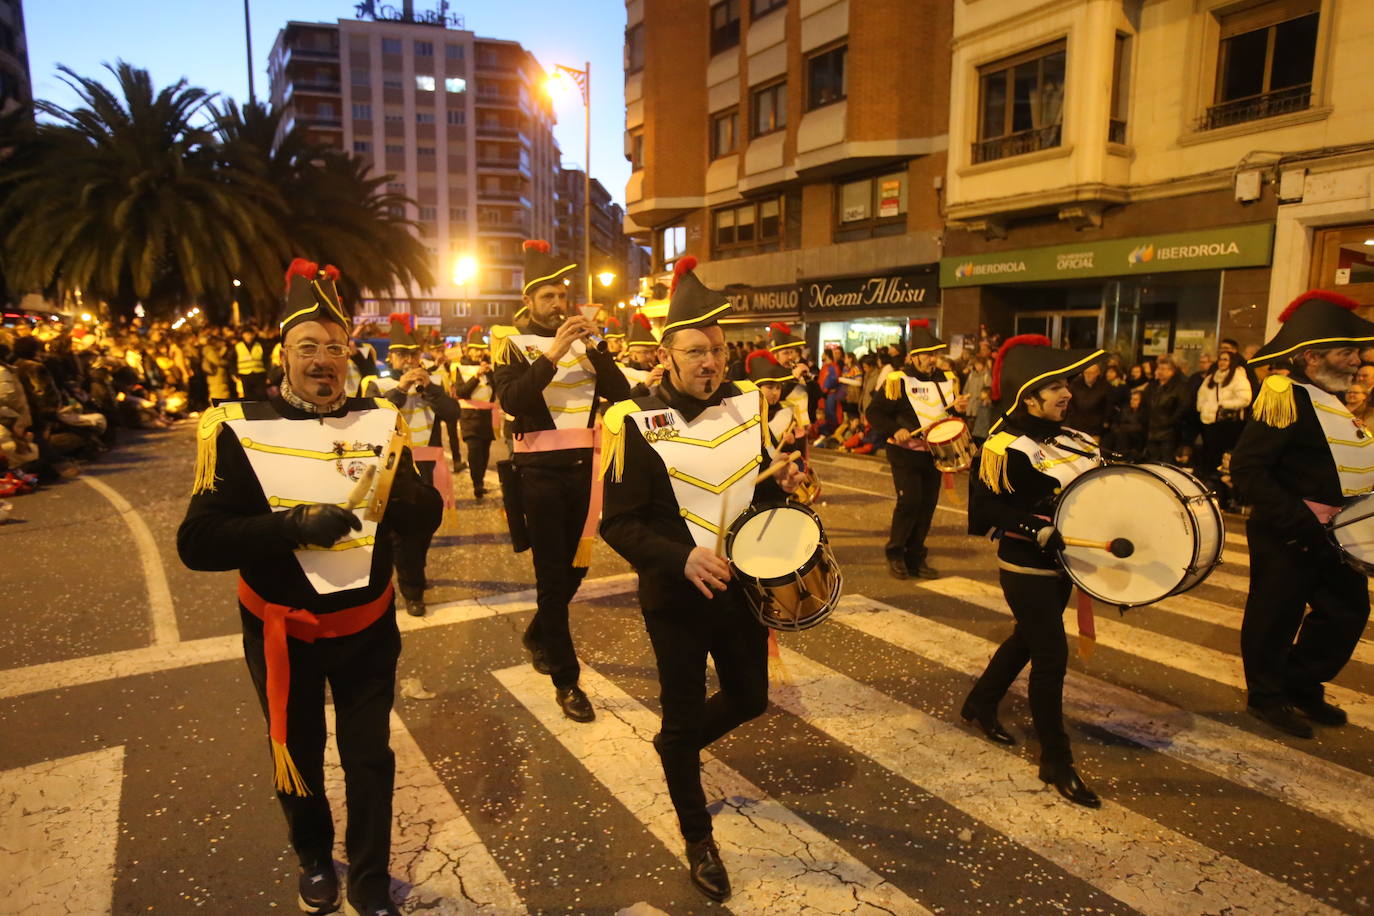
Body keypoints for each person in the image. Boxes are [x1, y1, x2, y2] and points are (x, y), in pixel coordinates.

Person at [177, 259, 442, 916]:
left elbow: (418, 516)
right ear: (283, 355)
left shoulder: (381, 421)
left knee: (368, 759)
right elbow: (197, 541)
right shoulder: (235, 427)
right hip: (281, 634)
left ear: (349, 353)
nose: (323, 360)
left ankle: (372, 875)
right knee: (297, 753)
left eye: (334, 346)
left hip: (367, 631)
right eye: (308, 347)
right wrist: (289, 527)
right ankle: (315, 855)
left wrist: (413, 502)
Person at [599, 256, 801, 903]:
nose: (710, 362)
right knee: (684, 718)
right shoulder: (631, 420)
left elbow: (762, 494)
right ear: (666, 354)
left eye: (717, 349)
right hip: (675, 600)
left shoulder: (749, 405)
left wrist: (788, 490)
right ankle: (697, 836)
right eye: (695, 351)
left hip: (740, 592)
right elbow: (618, 525)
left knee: (750, 699)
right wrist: (680, 557)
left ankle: (674, 747)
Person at [963, 334, 1107, 808]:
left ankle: (981, 702)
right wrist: (1034, 526)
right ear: (1029, 397)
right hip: (1026, 566)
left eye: (1068, 383)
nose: (1068, 392)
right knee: (1051, 655)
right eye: (1057, 387)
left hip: (1066, 564)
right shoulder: (1003, 446)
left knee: (1028, 638)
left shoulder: (1075, 437)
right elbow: (985, 510)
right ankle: (1056, 759)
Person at [491, 239, 632, 722]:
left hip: (587, 472)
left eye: (560, 297)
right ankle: (566, 680)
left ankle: (538, 632)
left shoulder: (588, 346)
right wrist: (552, 353)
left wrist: (596, 349)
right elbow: (513, 400)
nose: (557, 305)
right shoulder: (509, 342)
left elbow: (621, 394)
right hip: (538, 474)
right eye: (546, 297)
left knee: (575, 571)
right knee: (552, 576)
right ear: (528, 301)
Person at [1231, 289, 1374, 739]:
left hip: (1336, 533)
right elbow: (1248, 470)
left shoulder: (1331, 399)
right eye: (1346, 352)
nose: (1357, 361)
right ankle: (1266, 697)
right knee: (1275, 616)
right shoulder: (1284, 396)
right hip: (1288, 531)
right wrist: (1296, 523)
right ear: (1312, 357)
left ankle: (1301, 682)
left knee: (1347, 612)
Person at [362, 317, 460, 617]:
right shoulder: (376, 383)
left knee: (426, 526)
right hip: (394, 469)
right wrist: (401, 390)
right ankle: (412, 588)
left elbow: (452, 413)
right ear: (390, 357)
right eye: (402, 355)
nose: (409, 360)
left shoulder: (434, 383)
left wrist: (430, 389)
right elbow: (373, 419)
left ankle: (414, 568)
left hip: (428, 466)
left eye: (413, 355)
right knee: (405, 535)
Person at [866, 319, 970, 580]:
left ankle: (916, 556)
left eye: (935, 355)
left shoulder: (946, 380)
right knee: (909, 501)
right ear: (914, 356)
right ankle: (896, 553)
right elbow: (874, 412)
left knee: (926, 506)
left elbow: (947, 416)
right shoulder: (897, 381)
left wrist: (958, 409)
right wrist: (894, 430)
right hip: (904, 451)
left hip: (933, 453)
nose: (932, 360)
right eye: (927, 355)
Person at [452, 325, 499, 499]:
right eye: (475, 350)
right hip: (469, 418)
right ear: (469, 350)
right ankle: (476, 483)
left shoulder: (488, 367)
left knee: (485, 452)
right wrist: (476, 376)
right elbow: (462, 392)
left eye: (481, 350)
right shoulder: (461, 368)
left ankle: (481, 480)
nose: (479, 354)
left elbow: (495, 391)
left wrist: (491, 374)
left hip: (486, 417)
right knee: (474, 451)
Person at [1196, 349, 1252, 487]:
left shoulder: (1238, 377)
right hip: (1210, 422)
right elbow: (1201, 396)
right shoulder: (1212, 377)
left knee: (1224, 457)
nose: (1222, 362)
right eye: (1220, 359)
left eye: (1225, 359)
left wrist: (1223, 405)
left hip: (1228, 424)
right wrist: (1204, 408)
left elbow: (1245, 399)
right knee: (1211, 454)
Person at [1143, 355, 1189, 462]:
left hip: (1169, 431)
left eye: (1163, 369)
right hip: (1152, 428)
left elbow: (1183, 407)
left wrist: (1170, 421)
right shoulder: (1153, 386)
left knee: (1166, 460)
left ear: (1172, 371)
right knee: (1152, 460)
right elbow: (1145, 404)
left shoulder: (1180, 386)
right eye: (1159, 368)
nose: (1160, 371)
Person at [1066, 361, 1109, 439]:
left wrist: (1105, 421)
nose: (1088, 375)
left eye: (1092, 373)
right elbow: (1070, 403)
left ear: (1098, 373)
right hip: (1076, 425)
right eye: (1086, 373)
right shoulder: (1075, 384)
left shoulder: (1105, 386)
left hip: (1094, 427)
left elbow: (1108, 405)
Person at [232, 325, 269, 400]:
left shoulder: (260, 345)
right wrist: (234, 373)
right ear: (243, 335)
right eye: (246, 334)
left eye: (251, 334)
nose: (249, 336)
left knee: (261, 397)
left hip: (259, 375)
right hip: (245, 375)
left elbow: (266, 360)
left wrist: (268, 374)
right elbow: (232, 361)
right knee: (248, 398)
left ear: (254, 335)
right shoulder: (237, 346)